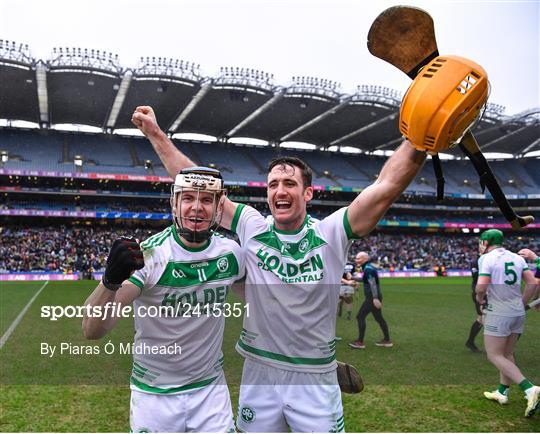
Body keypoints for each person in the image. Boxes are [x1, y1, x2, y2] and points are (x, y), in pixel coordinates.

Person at [132, 105, 426, 432]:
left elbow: (385, 188)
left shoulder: (331, 232)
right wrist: (156, 135)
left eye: (289, 183)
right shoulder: (252, 227)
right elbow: (200, 184)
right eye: (273, 184)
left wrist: (421, 136)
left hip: (314, 377)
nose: (280, 191)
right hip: (260, 372)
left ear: (308, 192)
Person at [82, 167, 245, 432]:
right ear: (174, 202)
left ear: (218, 207)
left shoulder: (231, 253)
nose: (197, 207)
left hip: (210, 392)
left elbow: (261, 303)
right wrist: (108, 282)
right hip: (154, 396)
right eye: (189, 198)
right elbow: (92, 330)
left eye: (206, 200)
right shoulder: (150, 254)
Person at [475, 229, 539, 418]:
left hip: (499, 312)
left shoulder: (487, 258)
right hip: (517, 312)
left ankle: (529, 389)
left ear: (486, 243)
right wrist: (522, 302)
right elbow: (533, 283)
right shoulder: (516, 257)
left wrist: (479, 297)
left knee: (494, 354)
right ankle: (502, 392)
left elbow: (481, 286)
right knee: (507, 353)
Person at [348, 251, 392, 349]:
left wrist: (375, 298)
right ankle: (387, 340)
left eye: (358, 258)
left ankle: (360, 342)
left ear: (365, 259)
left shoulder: (368, 269)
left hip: (372, 298)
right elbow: (365, 280)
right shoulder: (368, 268)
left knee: (360, 317)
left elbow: (372, 283)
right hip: (373, 297)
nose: (356, 260)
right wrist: (353, 278)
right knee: (379, 318)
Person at [465, 255, 485, 353]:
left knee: (482, 318)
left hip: (486, 292)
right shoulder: (476, 261)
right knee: (482, 317)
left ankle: (470, 341)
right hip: (479, 292)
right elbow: (476, 276)